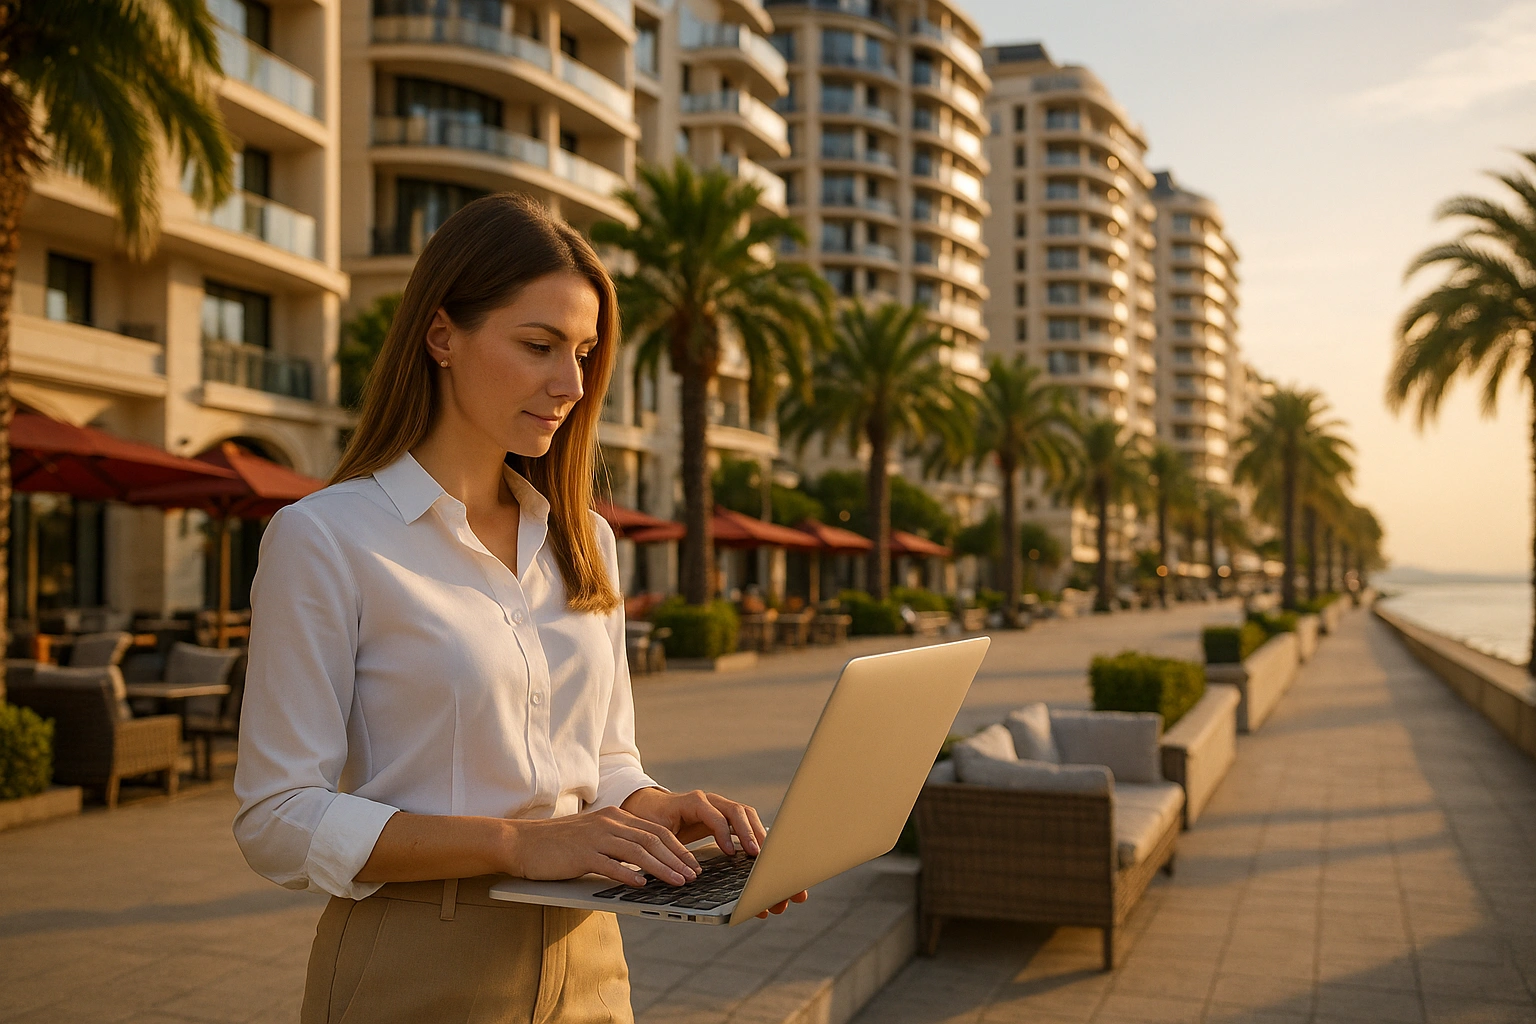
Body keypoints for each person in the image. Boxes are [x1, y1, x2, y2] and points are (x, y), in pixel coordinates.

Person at [233, 193, 804, 1024]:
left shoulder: (585, 542)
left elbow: (601, 762)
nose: (571, 384)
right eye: (538, 346)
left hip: (590, 956)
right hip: (417, 960)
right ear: (441, 338)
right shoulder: (325, 538)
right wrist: (516, 843)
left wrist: (653, 806)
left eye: (583, 352)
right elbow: (277, 819)